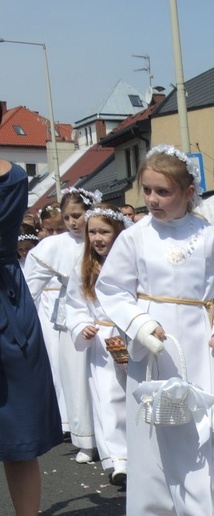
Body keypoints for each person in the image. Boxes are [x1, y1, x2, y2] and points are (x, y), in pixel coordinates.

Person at [96, 144, 214, 515]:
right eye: (147, 190)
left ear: (187, 193)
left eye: (162, 192)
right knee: (158, 430)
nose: (152, 199)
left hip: (200, 344)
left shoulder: (207, 234)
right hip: (155, 348)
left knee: (213, 426)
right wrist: (141, 323)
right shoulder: (135, 236)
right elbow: (113, 288)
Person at [1, 158, 63, 516]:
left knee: (17, 436)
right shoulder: (16, 176)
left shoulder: (12, 178)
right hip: (10, 300)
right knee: (17, 438)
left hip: (8, 304)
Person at [24, 187, 101, 464]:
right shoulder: (54, 246)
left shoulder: (104, 237)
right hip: (73, 314)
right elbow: (31, 284)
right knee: (76, 376)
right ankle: (86, 439)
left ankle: (115, 439)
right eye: (67, 216)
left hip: (104, 313)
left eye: (78, 215)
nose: (72, 222)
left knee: (107, 380)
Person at [65, 204, 133, 486]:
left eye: (104, 231)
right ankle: (117, 459)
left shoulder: (130, 262)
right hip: (102, 341)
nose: (97, 238)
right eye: (92, 232)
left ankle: (143, 452)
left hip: (130, 336)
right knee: (108, 398)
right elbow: (75, 305)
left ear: (117, 233)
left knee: (134, 395)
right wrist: (83, 326)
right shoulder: (83, 267)